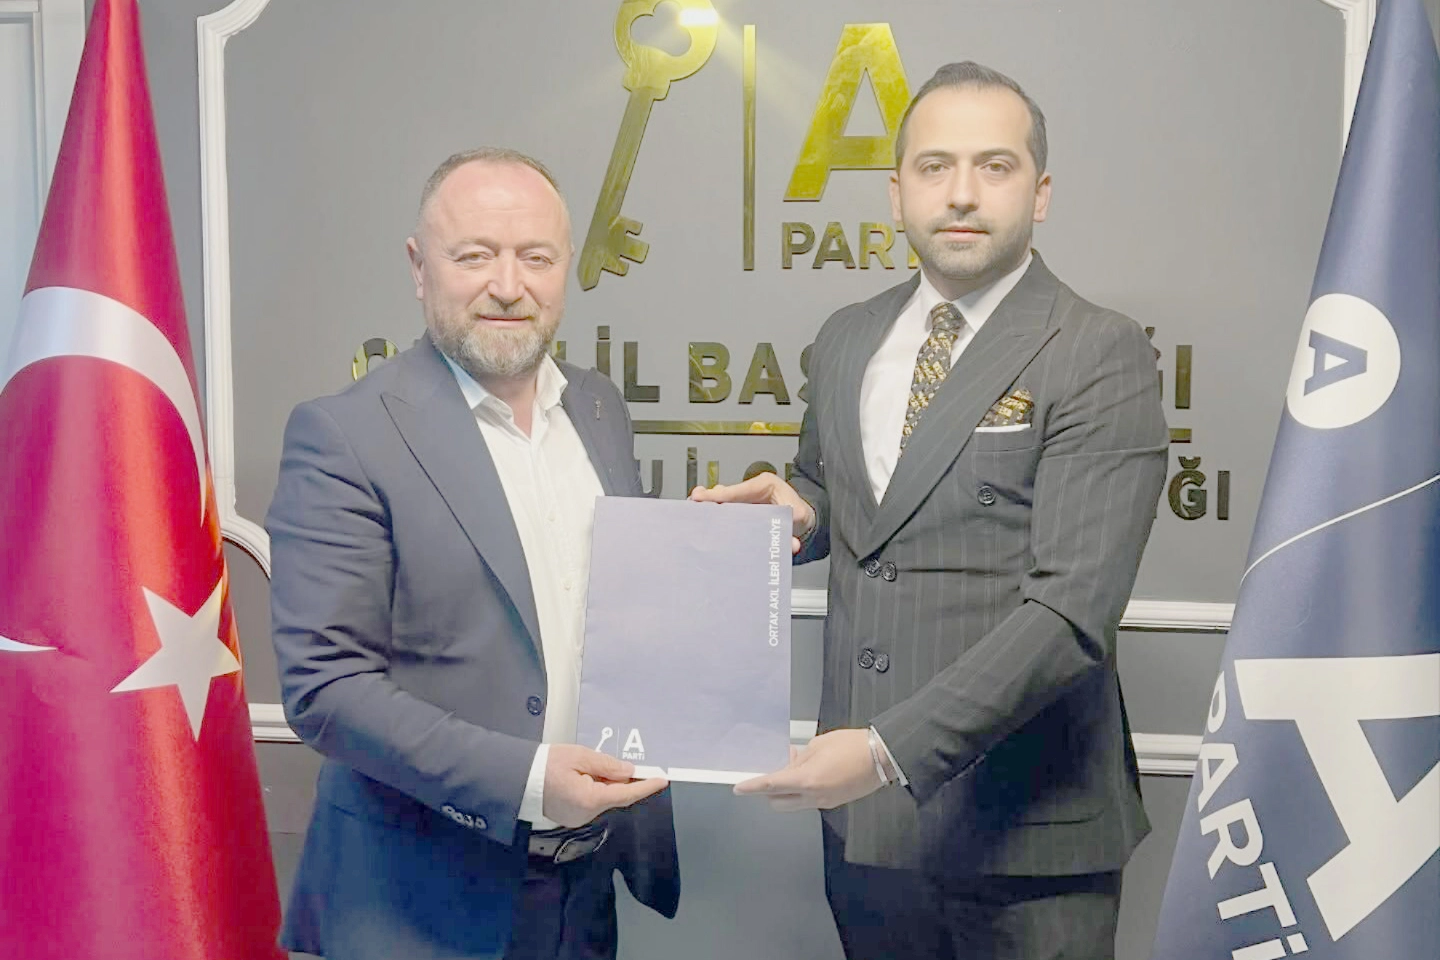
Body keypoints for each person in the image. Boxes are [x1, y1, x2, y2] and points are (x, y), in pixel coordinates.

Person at [692, 62, 1168, 959]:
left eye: (995, 166)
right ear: (896, 192)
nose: (961, 194)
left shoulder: (1098, 350)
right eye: (934, 166)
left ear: (1041, 193)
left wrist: (883, 751)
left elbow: (1071, 613)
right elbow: (848, 497)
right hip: (869, 837)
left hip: (1026, 836)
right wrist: (801, 514)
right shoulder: (848, 337)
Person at [267, 148, 678, 960]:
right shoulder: (344, 434)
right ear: (419, 268)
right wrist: (527, 781)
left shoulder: (598, 409)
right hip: (419, 904)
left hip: (585, 889)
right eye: (475, 256)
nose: (508, 285)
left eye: (536, 257)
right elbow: (326, 688)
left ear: (568, 266)